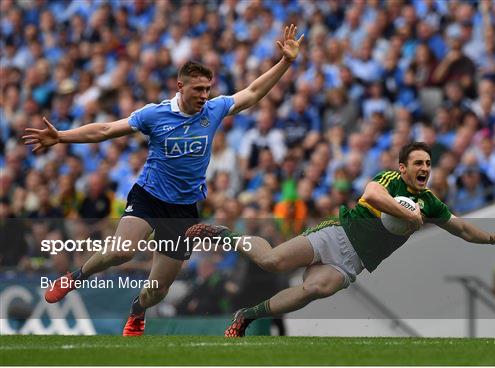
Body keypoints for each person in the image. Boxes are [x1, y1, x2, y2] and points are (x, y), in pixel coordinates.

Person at [22, 24, 304, 336]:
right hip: (149, 197)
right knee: (122, 251)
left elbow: (251, 93)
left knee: (156, 291)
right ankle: (75, 277)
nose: (204, 95)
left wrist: (285, 62)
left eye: (208, 89)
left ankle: (137, 311)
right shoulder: (154, 115)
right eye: (198, 89)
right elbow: (104, 131)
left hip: (183, 210)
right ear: (180, 87)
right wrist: (61, 136)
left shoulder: (213, 110)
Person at [188, 142, 495, 337]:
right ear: (403, 167)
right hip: (337, 233)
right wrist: (408, 215)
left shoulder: (429, 201)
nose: (425, 168)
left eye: (428, 164)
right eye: (418, 163)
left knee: (315, 289)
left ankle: (247, 315)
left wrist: (490, 238)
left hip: (353, 261)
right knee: (272, 260)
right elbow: (371, 194)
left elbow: (460, 227)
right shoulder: (390, 179)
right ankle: (226, 234)